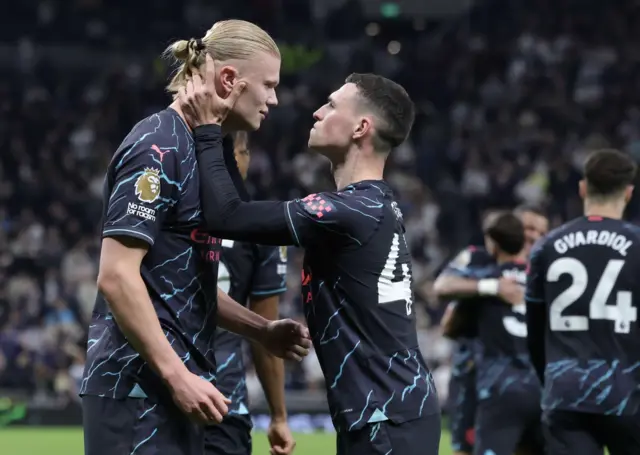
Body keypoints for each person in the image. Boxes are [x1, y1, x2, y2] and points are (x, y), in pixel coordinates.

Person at [179, 60, 441, 455]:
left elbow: (226, 216)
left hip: (384, 420)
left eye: (332, 106)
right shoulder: (374, 205)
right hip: (389, 413)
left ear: (360, 128)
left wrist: (208, 129)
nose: (318, 112)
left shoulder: (345, 212)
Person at [81, 20, 310, 455]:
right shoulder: (157, 145)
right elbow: (116, 276)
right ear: (229, 80)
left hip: (174, 388)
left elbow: (184, 287)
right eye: (268, 85)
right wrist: (176, 375)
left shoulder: (202, 150)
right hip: (137, 388)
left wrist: (261, 330)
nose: (274, 99)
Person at [526, 149, 640, 455]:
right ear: (628, 193)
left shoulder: (545, 248)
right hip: (628, 393)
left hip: (566, 392)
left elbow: (534, 331)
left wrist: (550, 378)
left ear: (582, 188)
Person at [205, 132, 294, 455]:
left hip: (163, 392)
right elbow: (265, 330)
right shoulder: (262, 225)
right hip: (223, 399)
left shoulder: (172, 215)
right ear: (239, 156)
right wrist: (279, 416)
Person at [433, 206, 548, 455]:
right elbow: (442, 286)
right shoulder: (477, 259)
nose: (535, 236)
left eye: (542, 232)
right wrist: (492, 287)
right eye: (530, 228)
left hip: (506, 379)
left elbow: (449, 325)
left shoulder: (542, 270)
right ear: (515, 228)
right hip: (473, 376)